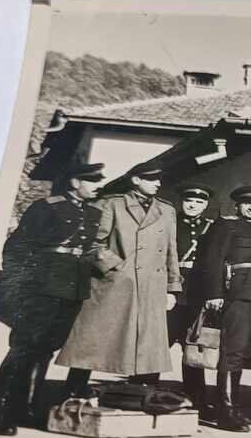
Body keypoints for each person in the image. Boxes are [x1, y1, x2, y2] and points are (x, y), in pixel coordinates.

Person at [0, 161, 105, 435]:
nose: (99, 186)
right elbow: (16, 248)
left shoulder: (94, 212)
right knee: (23, 349)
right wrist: (19, 287)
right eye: (93, 181)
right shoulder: (46, 207)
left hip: (72, 289)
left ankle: (26, 409)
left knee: (46, 350)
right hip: (42, 287)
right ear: (75, 182)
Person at [56, 163, 182, 395]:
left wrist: (172, 288)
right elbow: (93, 244)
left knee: (148, 344)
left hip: (152, 286)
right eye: (151, 178)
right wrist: (116, 268)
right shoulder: (111, 205)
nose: (158, 183)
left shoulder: (167, 210)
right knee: (93, 340)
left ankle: (143, 394)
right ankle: (74, 391)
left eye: (159, 179)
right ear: (135, 180)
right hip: (115, 284)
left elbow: (171, 251)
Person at [195, 185, 251, 432]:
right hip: (239, 295)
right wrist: (215, 293)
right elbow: (213, 260)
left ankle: (237, 408)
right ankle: (226, 411)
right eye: (246, 203)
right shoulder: (226, 226)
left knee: (248, 353)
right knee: (233, 351)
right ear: (238, 205)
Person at [168, 181, 216, 413]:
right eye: (189, 201)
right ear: (182, 202)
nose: (193, 205)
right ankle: (144, 388)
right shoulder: (170, 224)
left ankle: (197, 398)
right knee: (159, 343)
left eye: (199, 202)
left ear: (205, 205)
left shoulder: (211, 227)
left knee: (194, 347)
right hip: (171, 291)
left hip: (197, 294)